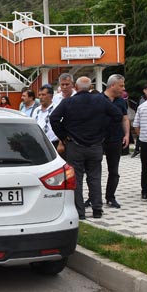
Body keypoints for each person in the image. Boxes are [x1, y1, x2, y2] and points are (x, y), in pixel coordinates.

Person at [50, 76, 122, 219]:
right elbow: (117, 115)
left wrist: (64, 136)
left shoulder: (69, 102)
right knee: (95, 177)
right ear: (90, 87)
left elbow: (54, 118)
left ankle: (80, 212)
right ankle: (97, 209)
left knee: (76, 178)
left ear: (75, 88)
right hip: (95, 144)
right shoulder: (100, 100)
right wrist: (104, 132)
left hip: (75, 145)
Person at [95, 74, 129, 209]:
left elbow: (125, 118)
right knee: (95, 171)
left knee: (114, 171)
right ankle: (93, 197)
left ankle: (110, 197)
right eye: (121, 85)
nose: (123, 88)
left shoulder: (121, 101)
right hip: (98, 139)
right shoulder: (98, 99)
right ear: (112, 85)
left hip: (115, 139)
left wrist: (126, 134)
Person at [132, 86, 147, 158]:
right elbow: (137, 109)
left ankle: (143, 150)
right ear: (144, 90)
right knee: (139, 135)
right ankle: (137, 149)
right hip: (142, 120)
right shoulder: (141, 98)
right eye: (146, 89)